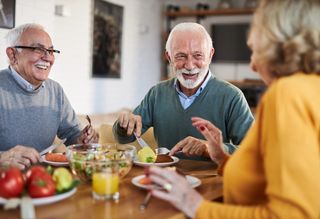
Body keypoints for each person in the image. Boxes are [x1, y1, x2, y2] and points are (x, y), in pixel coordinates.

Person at [147, 0, 320, 218]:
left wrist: (192, 204)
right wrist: (221, 157)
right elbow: (267, 177)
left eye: (256, 49)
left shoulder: (287, 94)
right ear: (169, 57)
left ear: (279, 45)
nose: (253, 65)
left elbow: (293, 215)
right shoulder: (310, 88)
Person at [113, 22, 254, 162]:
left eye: (198, 55)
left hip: (211, 180)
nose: (189, 65)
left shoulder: (232, 97)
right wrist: (124, 124)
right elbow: (125, 138)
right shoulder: (157, 94)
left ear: (210, 55)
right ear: (169, 57)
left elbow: (253, 151)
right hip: (165, 179)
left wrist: (209, 148)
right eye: (181, 56)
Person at [0, 23, 98, 170]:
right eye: (38, 49)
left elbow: (72, 134)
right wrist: (2, 158)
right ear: (12, 55)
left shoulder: (55, 90)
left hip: (43, 181)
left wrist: (83, 140)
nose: (47, 58)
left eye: (51, 51)